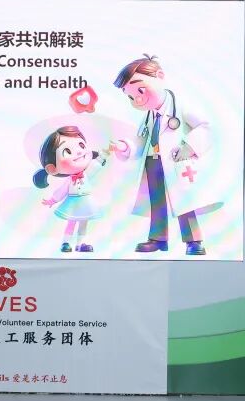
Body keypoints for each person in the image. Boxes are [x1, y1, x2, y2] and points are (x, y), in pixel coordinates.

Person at [110, 55, 222, 256]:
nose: (137, 99)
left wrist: (189, 147)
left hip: (176, 164)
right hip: (152, 163)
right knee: (157, 202)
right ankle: (158, 239)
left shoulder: (181, 107)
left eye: (140, 90)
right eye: (130, 97)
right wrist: (125, 147)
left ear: (160, 76)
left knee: (185, 203)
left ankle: (194, 240)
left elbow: (206, 127)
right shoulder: (149, 116)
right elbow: (141, 140)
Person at [33, 126, 108, 253]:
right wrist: (53, 200)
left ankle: (80, 243)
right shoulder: (69, 180)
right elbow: (62, 191)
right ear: (53, 168)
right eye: (67, 151)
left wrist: (103, 156)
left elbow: (96, 166)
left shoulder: (86, 175)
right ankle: (66, 242)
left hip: (86, 202)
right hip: (73, 203)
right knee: (71, 223)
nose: (79, 152)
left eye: (81, 145)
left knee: (84, 223)